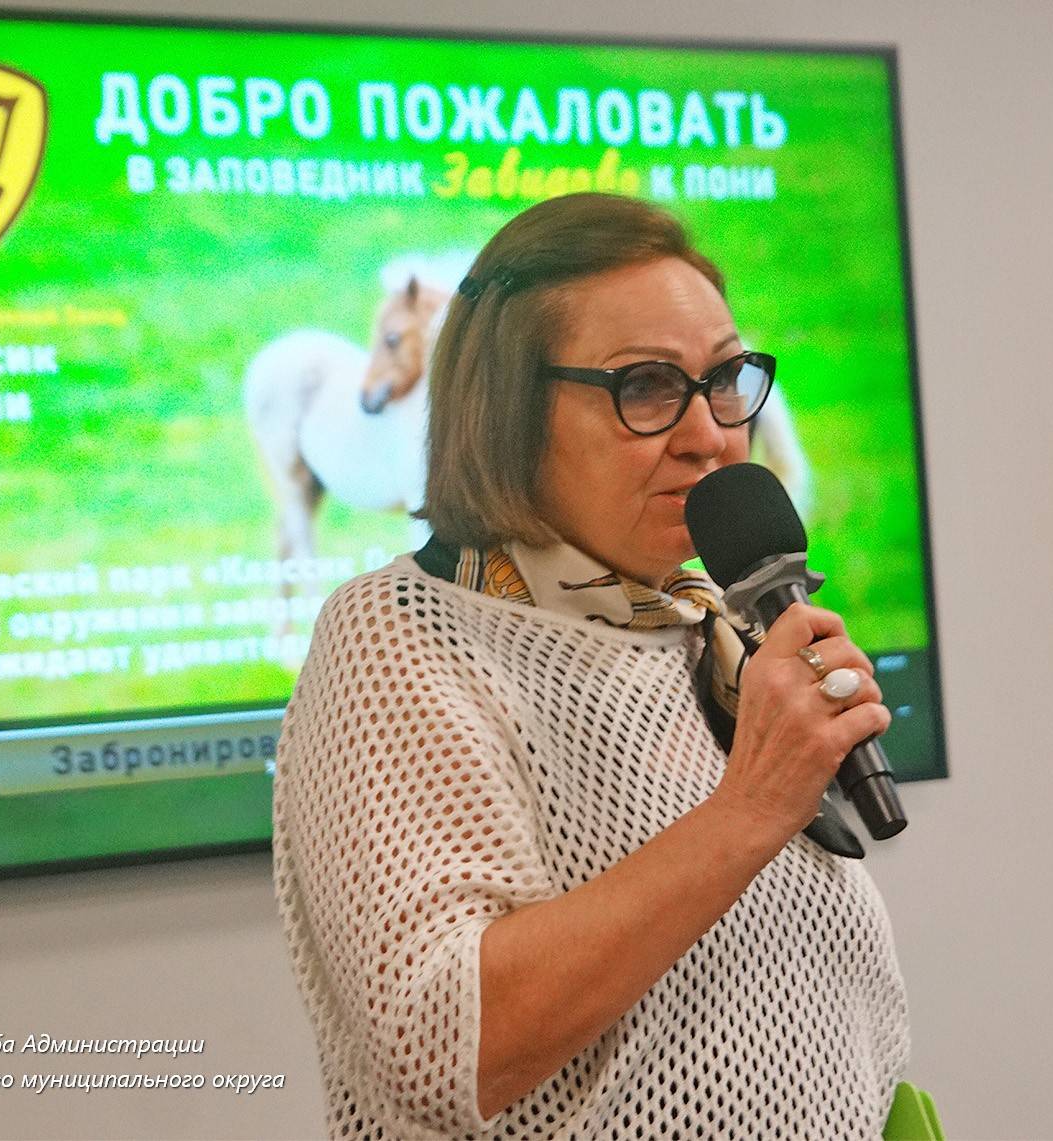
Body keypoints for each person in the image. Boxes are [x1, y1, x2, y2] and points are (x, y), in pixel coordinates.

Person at [273, 192, 909, 1139]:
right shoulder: (400, 635)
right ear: (509, 415)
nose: (711, 434)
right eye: (646, 387)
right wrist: (752, 805)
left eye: (725, 378)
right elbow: (441, 1045)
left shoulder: (710, 627)